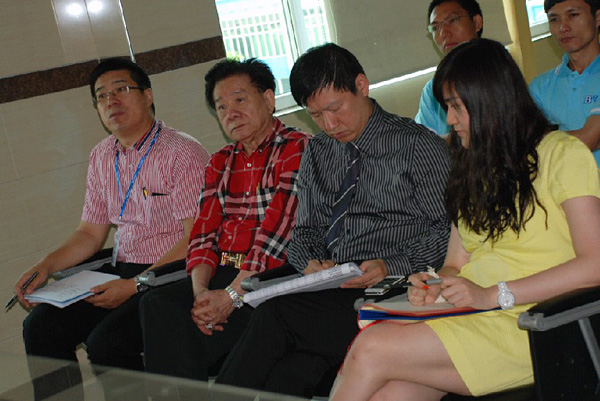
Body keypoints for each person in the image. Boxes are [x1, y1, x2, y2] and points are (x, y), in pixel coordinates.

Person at [329, 38, 600, 401]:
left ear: (491, 99)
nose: (450, 120)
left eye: (457, 106)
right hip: (472, 314)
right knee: (390, 394)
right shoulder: (471, 168)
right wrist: (435, 284)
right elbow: (456, 263)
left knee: (372, 346)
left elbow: (595, 265)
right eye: (447, 106)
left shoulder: (562, 155)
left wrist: (494, 294)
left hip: (536, 322)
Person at [215, 43, 451, 399]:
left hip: (395, 290)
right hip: (333, 288)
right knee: (287, 373)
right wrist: (310, 262)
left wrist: (390, 264)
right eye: (315, 115)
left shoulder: (417, 145)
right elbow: (305, 231)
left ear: (361, 86)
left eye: (335, 109)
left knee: (276, 316)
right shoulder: (319, 150)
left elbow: (446, 231)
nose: (329, 124)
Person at [15, 57, 210, 400]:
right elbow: (90, 233)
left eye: (121, 89)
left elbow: (196, 236)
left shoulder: (182, 152)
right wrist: (45, 266)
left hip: (170, 273)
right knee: (41, 326)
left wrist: (135, 285)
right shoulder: (102, 156)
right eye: (102, 96)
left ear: (147, 95)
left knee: (106, 343)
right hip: (121, 269)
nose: (111, 101)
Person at [138, 58, 311, 386]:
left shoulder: (297, 148)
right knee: (156, 305)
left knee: (179, 344)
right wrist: (201, 294)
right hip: (224, 272)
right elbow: (202, 234)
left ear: (269, 99)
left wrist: (230, 296)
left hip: (270, 275)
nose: (231, 113)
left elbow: (277, 235)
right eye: (221, 107)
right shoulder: (220, 161)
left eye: (240, 100)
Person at [530, 0, 600, 166]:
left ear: (597, 18)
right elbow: (523, 141)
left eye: (573, 15)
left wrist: (541, 140)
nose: (563, 27)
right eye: (554, 20)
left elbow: (589, 139)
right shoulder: (540, 87)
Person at [415, 0, 483, 136]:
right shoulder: (433, 91)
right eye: (435, 28)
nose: (444, 33)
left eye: (453, 20)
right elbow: (424, 142)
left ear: (476, 23)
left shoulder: (500, 71)